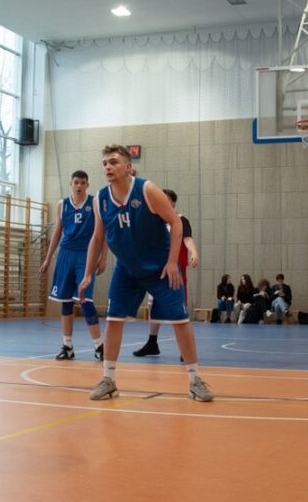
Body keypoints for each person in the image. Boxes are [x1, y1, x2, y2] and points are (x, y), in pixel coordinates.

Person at [78, 145, 212, 401]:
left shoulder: (147, 190)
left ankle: (196, 380)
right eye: (105, 162)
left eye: (114, 162)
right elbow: (97, 237)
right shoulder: (100, 199)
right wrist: (87, 275)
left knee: (180, 322)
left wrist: (173, 261)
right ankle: (109, 379)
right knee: (114, 320)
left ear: (128, 166)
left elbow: (175, 222)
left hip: (161, 268)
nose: (107, 166)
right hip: (127, 270)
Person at [39, 170, 106, 361]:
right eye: (76, 182)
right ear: (71, 183)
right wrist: (48, 258)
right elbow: (57, 233)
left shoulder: (94, 203)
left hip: (86, 255)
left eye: (83, 183)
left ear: (87, 185)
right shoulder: (62, 205)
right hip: (65, 255)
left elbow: (103, 232)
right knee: (66, 301)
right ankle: (67, 346)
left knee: (85, 301)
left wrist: (102, 258)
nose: (79, 186)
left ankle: (99, 346)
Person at [134, 189, 198, 356]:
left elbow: (187, 238)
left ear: (173, 203)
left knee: (178, 308)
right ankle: (152, 342)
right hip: (156, 269)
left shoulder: (180, 219)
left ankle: (185, 350)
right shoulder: (154, 221)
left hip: (175, 269)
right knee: (152, 305)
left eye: (167, 199)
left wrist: (194, 252)